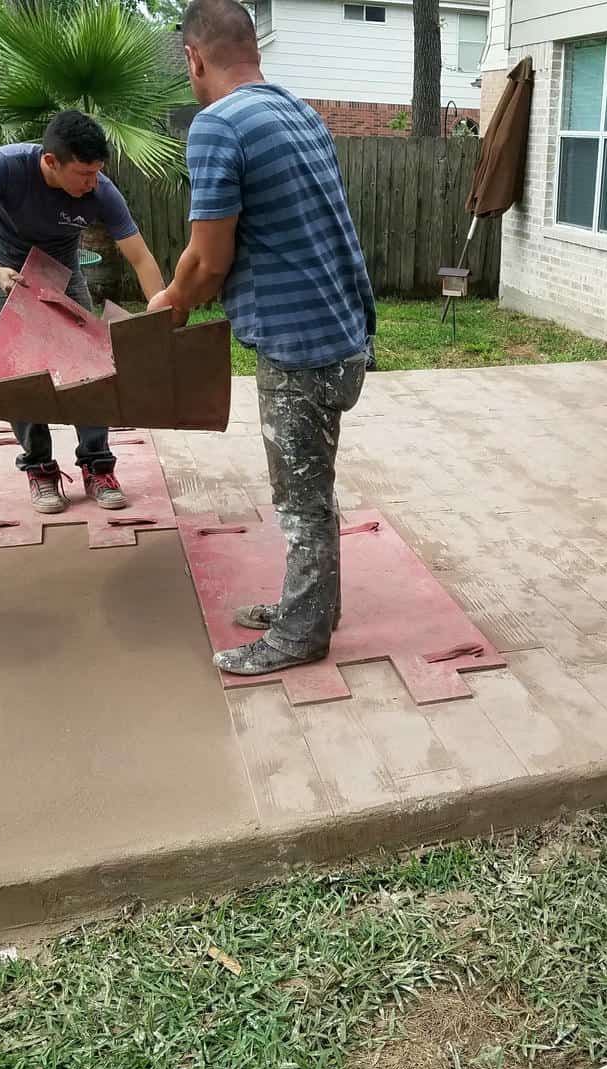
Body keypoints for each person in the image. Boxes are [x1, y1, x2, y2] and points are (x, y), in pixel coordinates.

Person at [148, 0, 375, 677]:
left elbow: (208, 258)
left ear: (193, 57)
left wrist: (169, 306)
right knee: (315, 487)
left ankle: (302, 637)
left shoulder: (217, 125)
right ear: (253, 47)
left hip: (299, 348)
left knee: (300, 500)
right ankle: (314, 609)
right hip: (343, 333)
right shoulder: (295, 110)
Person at [0, 110, 167, 515]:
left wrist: (160, 319)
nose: (92, 182)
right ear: (50, 162)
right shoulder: (4, 167)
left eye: (97, 172)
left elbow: (141, 257)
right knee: (20, 377)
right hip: (9, 273)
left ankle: (97, 465)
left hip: (64, 274)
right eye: (83, 173)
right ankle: (40, 468)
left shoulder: (101, 191)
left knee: (92, 371)